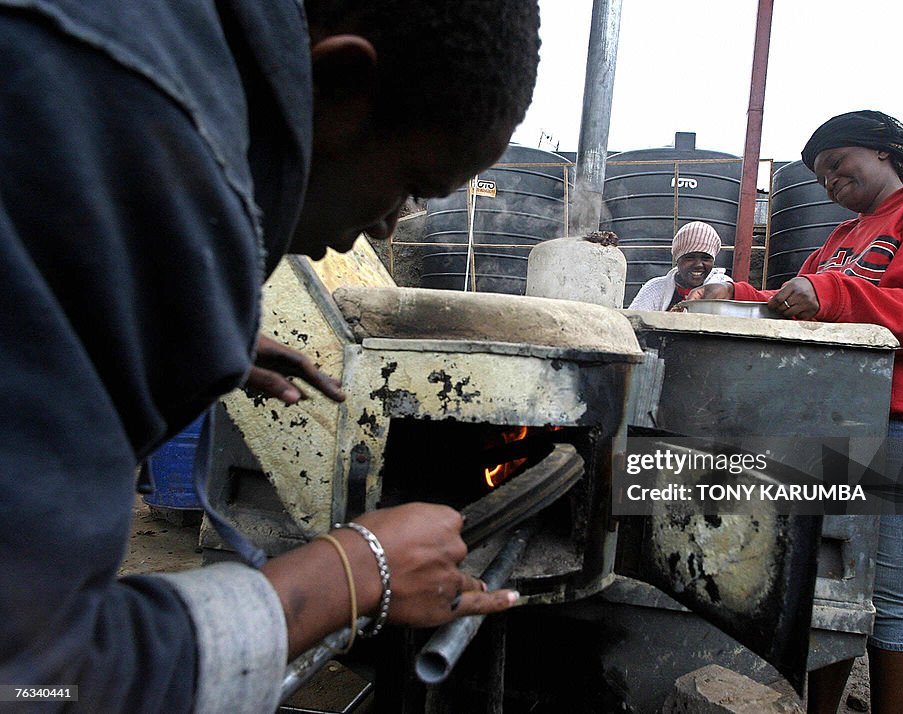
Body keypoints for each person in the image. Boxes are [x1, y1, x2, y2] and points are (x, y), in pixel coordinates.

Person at [0, 1, 540, 711]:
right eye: (409, 186)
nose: (385, 225)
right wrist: (349, 572)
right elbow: (33, 677)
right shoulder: (131, 135)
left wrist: (153, 318)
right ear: (340, 81)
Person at [692, 110, 903, 713]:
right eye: (822, 180)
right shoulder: (843, 239)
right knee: (830, 588)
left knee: (892, 596)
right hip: (844, 418)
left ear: (886, 150)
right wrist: (738, 294)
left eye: (839, 165)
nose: (832, 184)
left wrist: (827, 294)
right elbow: (801, 301)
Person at [627, 220, 732, 311]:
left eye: (706, 258)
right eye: (690, 258)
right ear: (678, 259)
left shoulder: (722, 287)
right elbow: (633, 322)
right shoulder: (655, 288)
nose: (699, 265)